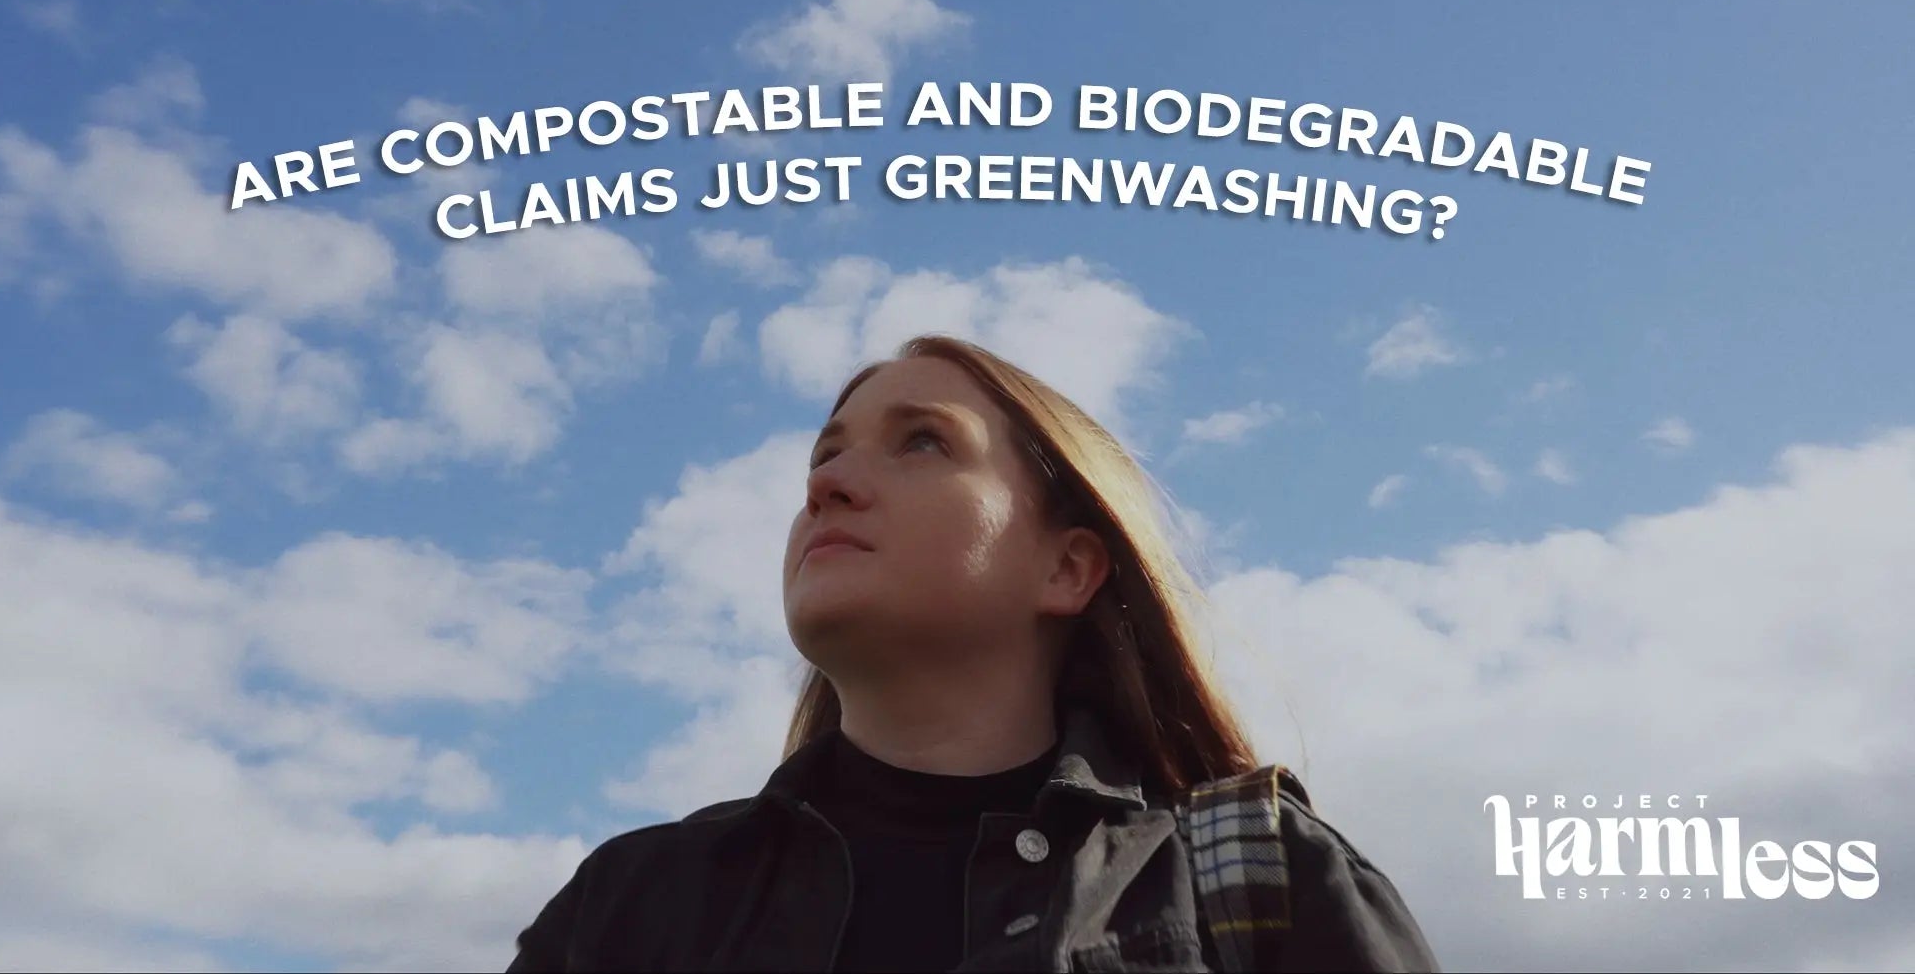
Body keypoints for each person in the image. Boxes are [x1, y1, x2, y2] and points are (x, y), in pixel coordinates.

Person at [508, 335, 1440, 973]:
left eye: (922, 441)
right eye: (822, 459)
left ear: (1068, 566)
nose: (827, 483)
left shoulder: (1256, 877)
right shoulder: (631, 901)